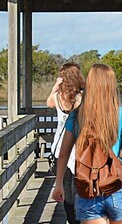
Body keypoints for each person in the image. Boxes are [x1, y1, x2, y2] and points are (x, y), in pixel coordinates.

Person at [52, 64, 122, 224]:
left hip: (88, 187)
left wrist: (59, 184)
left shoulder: (76, 117)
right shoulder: (121, 114)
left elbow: (63, 154)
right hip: (118, 185)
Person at [47, 62, 84, 215]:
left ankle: (72, 218)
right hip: (79, 147)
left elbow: (48, 103)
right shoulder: (81, 97)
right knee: (80, 187)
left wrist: (56, 86)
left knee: (66, 187)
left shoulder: (57, 97)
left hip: (60, 146)